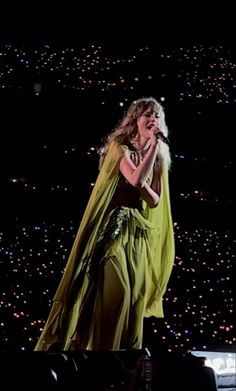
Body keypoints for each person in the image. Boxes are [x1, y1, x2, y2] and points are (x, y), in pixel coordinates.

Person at [35, 96, 175, 351]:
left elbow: (155, 200)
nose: (153, 120)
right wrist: (153, 149)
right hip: (111, 229)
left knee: (135, 297)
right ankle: (100, 352)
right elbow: (134, 181)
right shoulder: (119, 146)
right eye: (147, 115)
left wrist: (149, 166)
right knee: (117, 291)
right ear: (135, 119)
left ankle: (123, 358)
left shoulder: (159, 157)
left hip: (136, 231)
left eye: (157, 116)